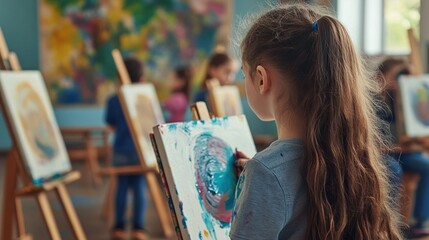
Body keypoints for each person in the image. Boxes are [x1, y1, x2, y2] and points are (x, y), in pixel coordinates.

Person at [230, 4, 402, 239]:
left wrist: (265, 176)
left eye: (243, 74)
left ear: (261, 78)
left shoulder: (265, 172)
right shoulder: (352, 155)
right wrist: (260, 181)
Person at [378, 58, 429, 238]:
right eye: (396, 77)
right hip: (385, 154)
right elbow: (370, 145)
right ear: (379, 77)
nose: (398, 83)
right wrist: (396, 148)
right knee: (393, 169)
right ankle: (388, 223)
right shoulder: (373, 103)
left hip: (399, 151)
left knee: (426, 164)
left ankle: (419, 221)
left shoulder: (398, 102)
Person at [105, 57, 147, 240]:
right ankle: (138, 228)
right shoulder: (142, 99)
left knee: (121, 187)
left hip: (121, 150)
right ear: (141, 78)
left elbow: (110, 124)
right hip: (140, 151)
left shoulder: (114, 99)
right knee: (139, 188)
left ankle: (119, 227)